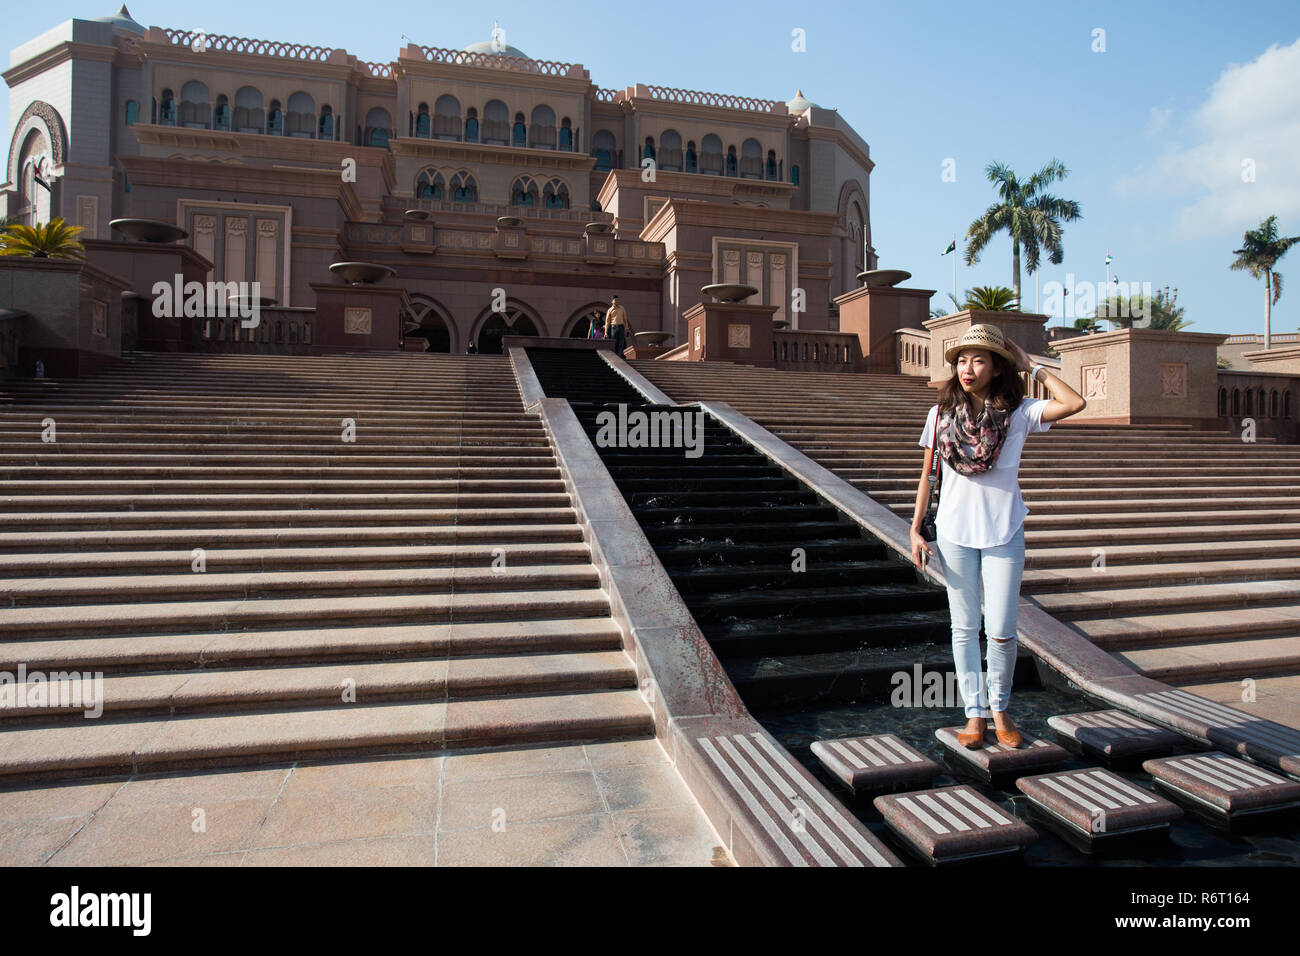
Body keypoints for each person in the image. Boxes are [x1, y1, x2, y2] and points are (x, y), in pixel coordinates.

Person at [908, 324, 1086, 750]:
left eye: (980, 359)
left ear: (997, 367)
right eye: (963, 359)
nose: (968, 367)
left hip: (1004, 531)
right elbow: (928, 475)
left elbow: (1075, 403)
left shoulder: (1020, 413)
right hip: (953, 533)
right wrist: (914, 528)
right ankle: (974, 714)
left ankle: (1001, 710)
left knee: (1003, 630)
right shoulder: (940, 414)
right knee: (965, 628)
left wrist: (1033, 366)